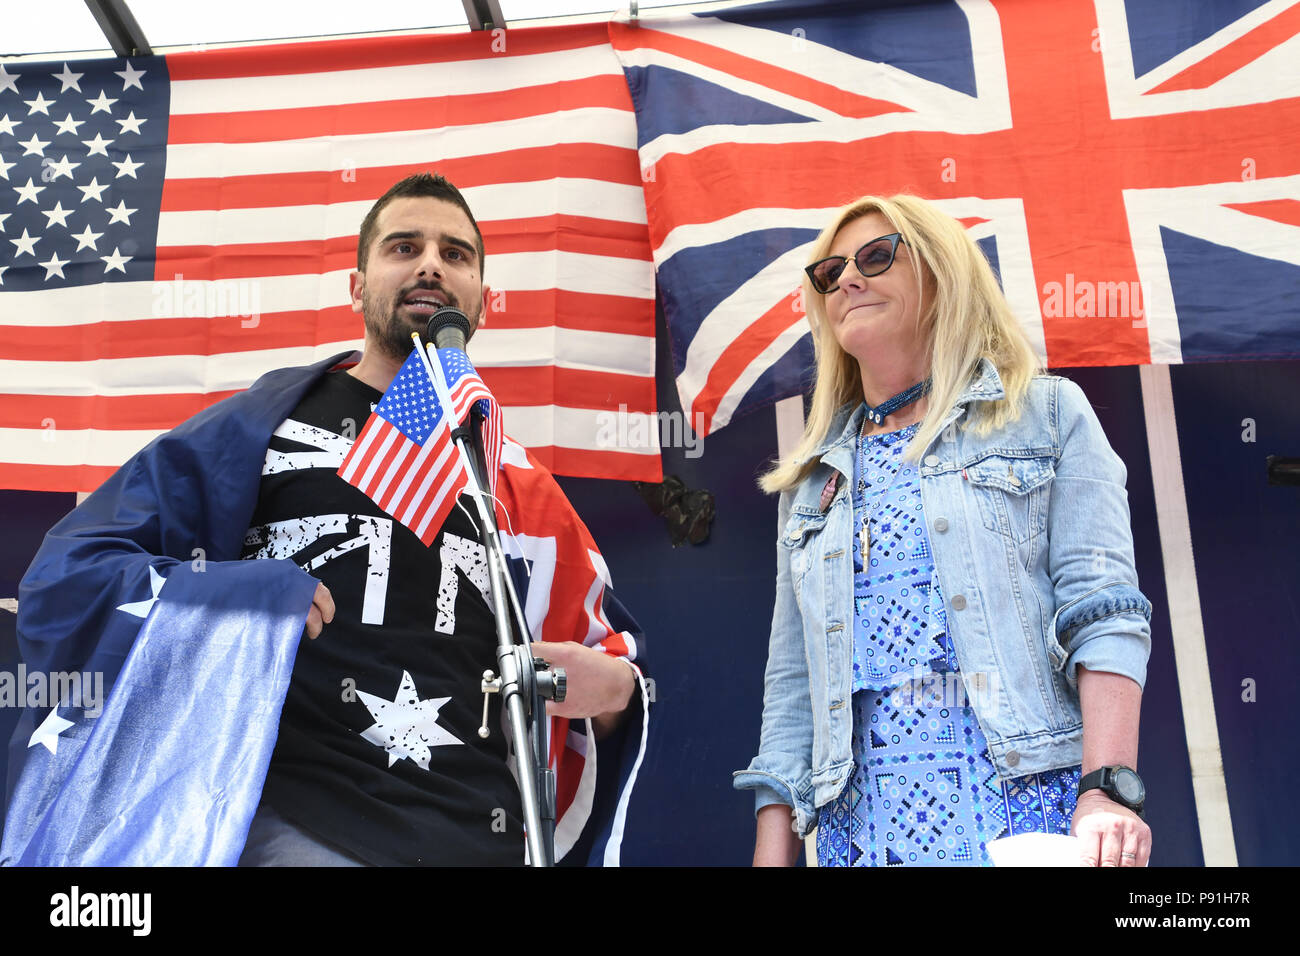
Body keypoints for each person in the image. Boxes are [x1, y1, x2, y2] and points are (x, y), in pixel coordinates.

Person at [2, 173, 647, 867]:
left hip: (478, 836)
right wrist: (236, 596)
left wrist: (614, 691)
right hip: (302, 821)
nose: (431, 262)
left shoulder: (517, 483)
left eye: (456, 254)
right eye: (404, 246)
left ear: (483, 303)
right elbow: (69, 574)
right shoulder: (259, 431)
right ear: (356, 286)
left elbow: (610, 675)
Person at [733, 194, 1153, 868]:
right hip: (861, 836)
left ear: (941, 275)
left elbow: (1102, 613)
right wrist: (773, 850)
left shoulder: (1045, 416)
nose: (848, 279)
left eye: (876, 257)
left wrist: (1105, 792)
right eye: (829, 271)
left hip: (1022, 818)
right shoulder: (815, 481)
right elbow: (792, 684)